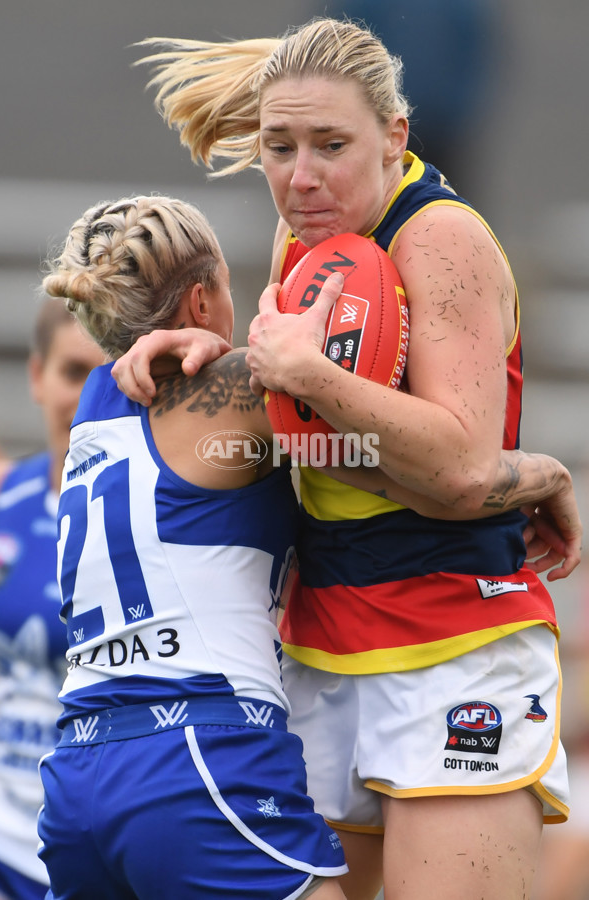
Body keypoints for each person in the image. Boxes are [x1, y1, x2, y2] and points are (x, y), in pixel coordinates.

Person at [106, 18, 584, 900]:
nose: (303, 176)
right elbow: (319, 439)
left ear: (395, 136)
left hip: (452, 640)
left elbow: (463, 470)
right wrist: (208, 361)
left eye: (332, 145)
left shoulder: (439, 237)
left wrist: (309, 376)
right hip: (325, 646)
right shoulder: (310, 244)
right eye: (280, 146)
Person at [36, 194, 350, 900]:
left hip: (77, 774)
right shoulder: (240, 389)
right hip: (195, 755)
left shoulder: (91, 404)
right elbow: (389, 450)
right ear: (204, 300)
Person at [0, 298, 104, 900]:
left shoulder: (171, 515)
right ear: (36, 376)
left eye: (108, 374)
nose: (89, 397)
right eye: (73, 372)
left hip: (101, 851)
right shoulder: (0, 494)